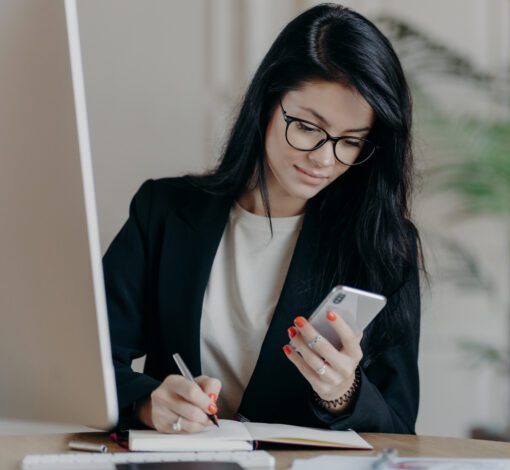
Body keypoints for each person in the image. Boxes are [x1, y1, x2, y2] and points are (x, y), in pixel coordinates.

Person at [103, 3, 422, 435]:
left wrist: (344, 394)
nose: (325, 159)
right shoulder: (163, 211)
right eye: (308, 127)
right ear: (267, 103)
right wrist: (146, 402)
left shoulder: (383, 246)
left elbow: (399, 430)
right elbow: (91, 359)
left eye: (351, 141)